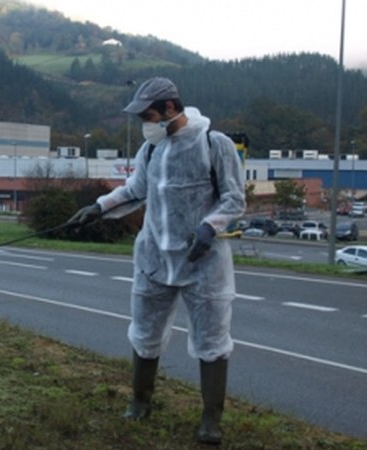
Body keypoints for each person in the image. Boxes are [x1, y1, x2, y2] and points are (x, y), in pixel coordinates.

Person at [69, 77, 245, 446]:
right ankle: (140, 402)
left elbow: (233, 199)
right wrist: (98, 208)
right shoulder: (152, 151)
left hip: (203, 261)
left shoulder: (215, 144)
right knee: (145, 333)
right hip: (153, 258)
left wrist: (209, 229)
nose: (144, 125)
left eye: (148, 116)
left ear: (170, 108)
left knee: (212, 339)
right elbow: (136, 191)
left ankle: (211, 420)